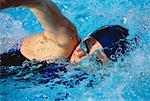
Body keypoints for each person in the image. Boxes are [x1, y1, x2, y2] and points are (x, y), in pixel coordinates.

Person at [0, 0, 132, 67]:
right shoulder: (64, 45)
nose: (78, 53)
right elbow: (40, 3)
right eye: (84, 46)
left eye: (95, 58)